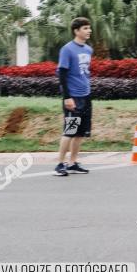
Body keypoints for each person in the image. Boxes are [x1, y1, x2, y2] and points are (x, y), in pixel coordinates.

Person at [54, 17, 93, 176]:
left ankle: (73, 163)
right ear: (76, 31)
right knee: (69, 132)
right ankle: (60, 164)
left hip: (86, 96)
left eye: (89, 28)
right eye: (85, 28)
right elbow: (62, 74)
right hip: (73, 97)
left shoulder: (88, 49)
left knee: (80, 133)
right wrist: (67, 97)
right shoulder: (67, 49)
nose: (89, 31)